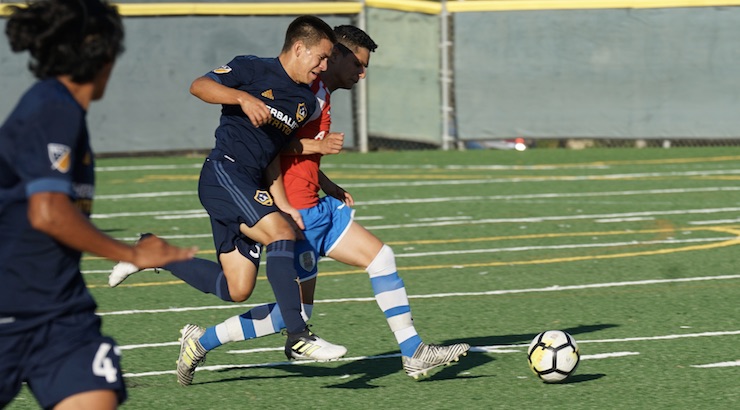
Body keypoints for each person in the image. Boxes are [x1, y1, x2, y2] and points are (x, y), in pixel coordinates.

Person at [176, 25, 470, 384]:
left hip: (313, 204)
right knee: (295, 306)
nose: (360, 74)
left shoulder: (316, 92)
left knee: (363, 268)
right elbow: (275, 145)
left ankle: (413, 353)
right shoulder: (304, 91)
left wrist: (326, 183)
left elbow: (283, 147)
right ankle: (206, 339)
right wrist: (309, 159)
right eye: (356, 64)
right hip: (297, 210)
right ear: (333, 55)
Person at [0, 1, 197, 408]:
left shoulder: (63, 110)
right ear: (105, 56)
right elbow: (48, 212)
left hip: (59, 315)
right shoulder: (52, 107)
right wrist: (131, 252)